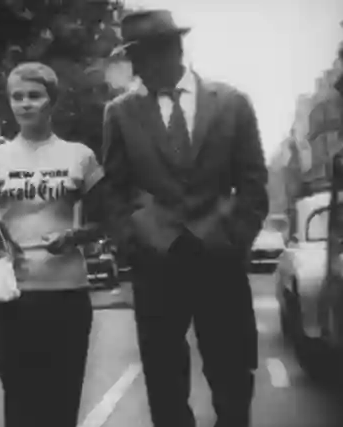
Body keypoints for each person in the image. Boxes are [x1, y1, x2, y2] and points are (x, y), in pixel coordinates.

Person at [100, 10, 269, 427]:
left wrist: (234, 238)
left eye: (143, 56)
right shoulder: (120, 113)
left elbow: (253, 183)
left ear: (174, 50)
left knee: (231, 374)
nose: (137, 68)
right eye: (132, 58)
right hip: (156, 265)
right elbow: (115, 190)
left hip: (220, 260)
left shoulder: (231, 103)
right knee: (164, 382)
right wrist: (133, 241)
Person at [0, 62, 104, 427]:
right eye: (17, 97)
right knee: (20, 400)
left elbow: (105, 221)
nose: (25, 104)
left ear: (51, 100)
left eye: (34, 96)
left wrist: (74, 236)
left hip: (67, 292)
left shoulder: (79, 156)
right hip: (11, 298)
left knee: (62, 399)